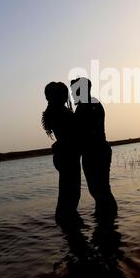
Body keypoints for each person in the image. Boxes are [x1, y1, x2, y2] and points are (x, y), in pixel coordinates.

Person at [70, 77, 117, 218]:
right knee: (97, 190)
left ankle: (109, 220)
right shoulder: (85, 105)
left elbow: (88, 131)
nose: (72, 94)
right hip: (93, 152)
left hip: (97, 152)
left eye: (74, 90)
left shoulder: (90, 105)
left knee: (100, 190)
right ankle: (105, 219)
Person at [42, 82, 81, 223]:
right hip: (67, 156)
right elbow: (71, 134)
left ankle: (67, 226)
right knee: (70, 194)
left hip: (64, 155)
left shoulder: (53, 111)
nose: (67, 96)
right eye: (64, 93)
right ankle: (68, 223)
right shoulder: (60, 112)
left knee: (67, 193)